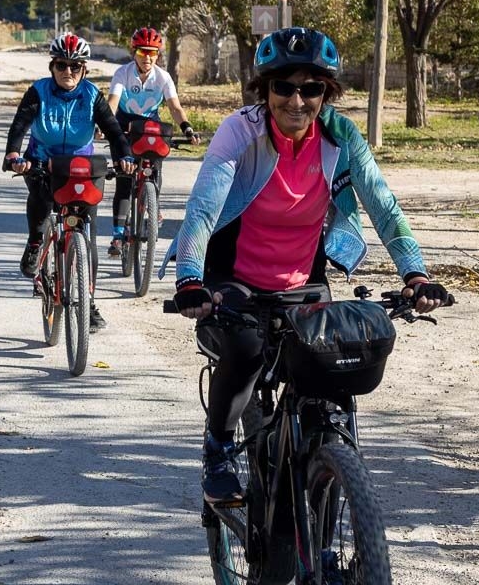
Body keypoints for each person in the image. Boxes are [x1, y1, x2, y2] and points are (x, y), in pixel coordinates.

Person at [169, 26, 450, 508]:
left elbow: (383, 205)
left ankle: (328, 474)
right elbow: (203, 208)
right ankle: (218, 452)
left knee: (332, 362)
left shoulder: (340, 135)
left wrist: (415, 273)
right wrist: (190, 279)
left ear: (327, 92)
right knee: (246, 348)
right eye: (284, 86)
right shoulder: (241, 130)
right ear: (265, 88)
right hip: (231, 278)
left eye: (311, 88)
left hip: (303, 279)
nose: (296, 100)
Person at [3, 33, 135, 333]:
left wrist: (125, 155)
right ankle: (36, 242)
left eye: (75, 66)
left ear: (84, 70)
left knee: (87, 242)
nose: (68, 72)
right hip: (42, 162)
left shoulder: (91, 95)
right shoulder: (38, 92)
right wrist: (13, 154)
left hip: (79, 169)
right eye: (61, 65)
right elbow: (19, 125)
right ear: (52, 67)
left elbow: (113, 131)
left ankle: (88, 303)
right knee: (41, 200)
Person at [104, 26, 198, 258]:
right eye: (143, 52)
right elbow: (113, 102)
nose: (147, 57)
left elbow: (174, 107)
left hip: (149, 128)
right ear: (134, 52)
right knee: (125, 179)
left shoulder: (163, 77)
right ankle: (118, 234)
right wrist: (105, 126)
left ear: (158, 55)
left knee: (154, 169)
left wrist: (187, 128)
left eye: (153, 53)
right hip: (125, 126)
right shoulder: (123, 74)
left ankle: (153, 205)